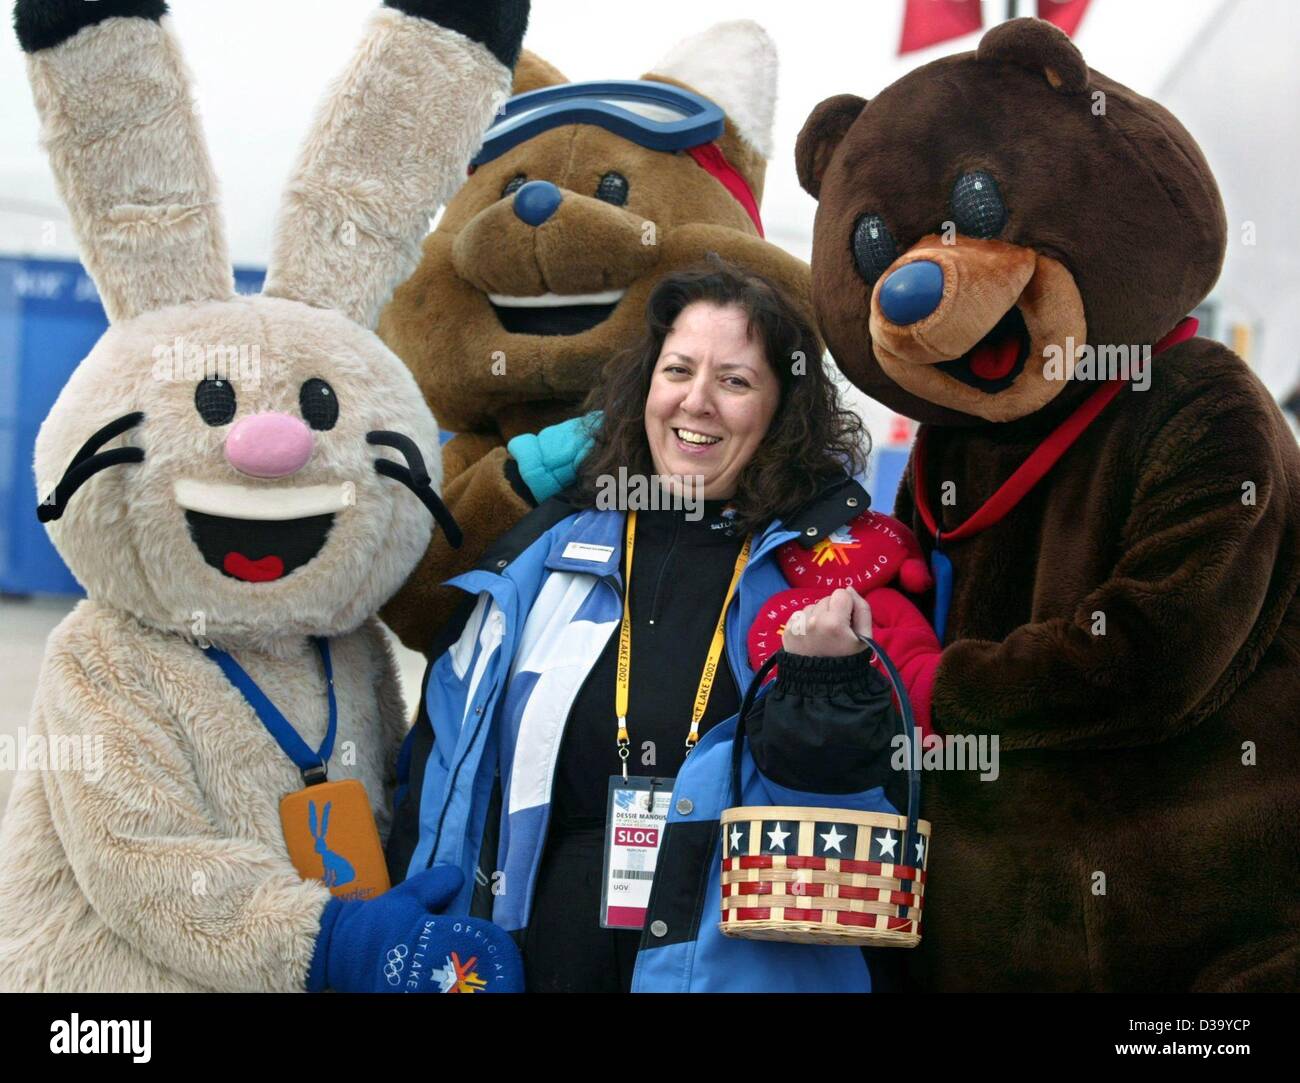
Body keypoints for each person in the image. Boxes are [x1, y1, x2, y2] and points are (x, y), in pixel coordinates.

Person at [385, 259, 912, 992]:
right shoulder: (550, 552)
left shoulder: (823, 572)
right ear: (646, 387)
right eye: (678, 370)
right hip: (538, 961)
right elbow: (450, 758)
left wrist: (825, 684)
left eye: (734, 380)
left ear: (780, 410)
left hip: (733, 971)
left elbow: (860, 817)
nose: (696, 402)